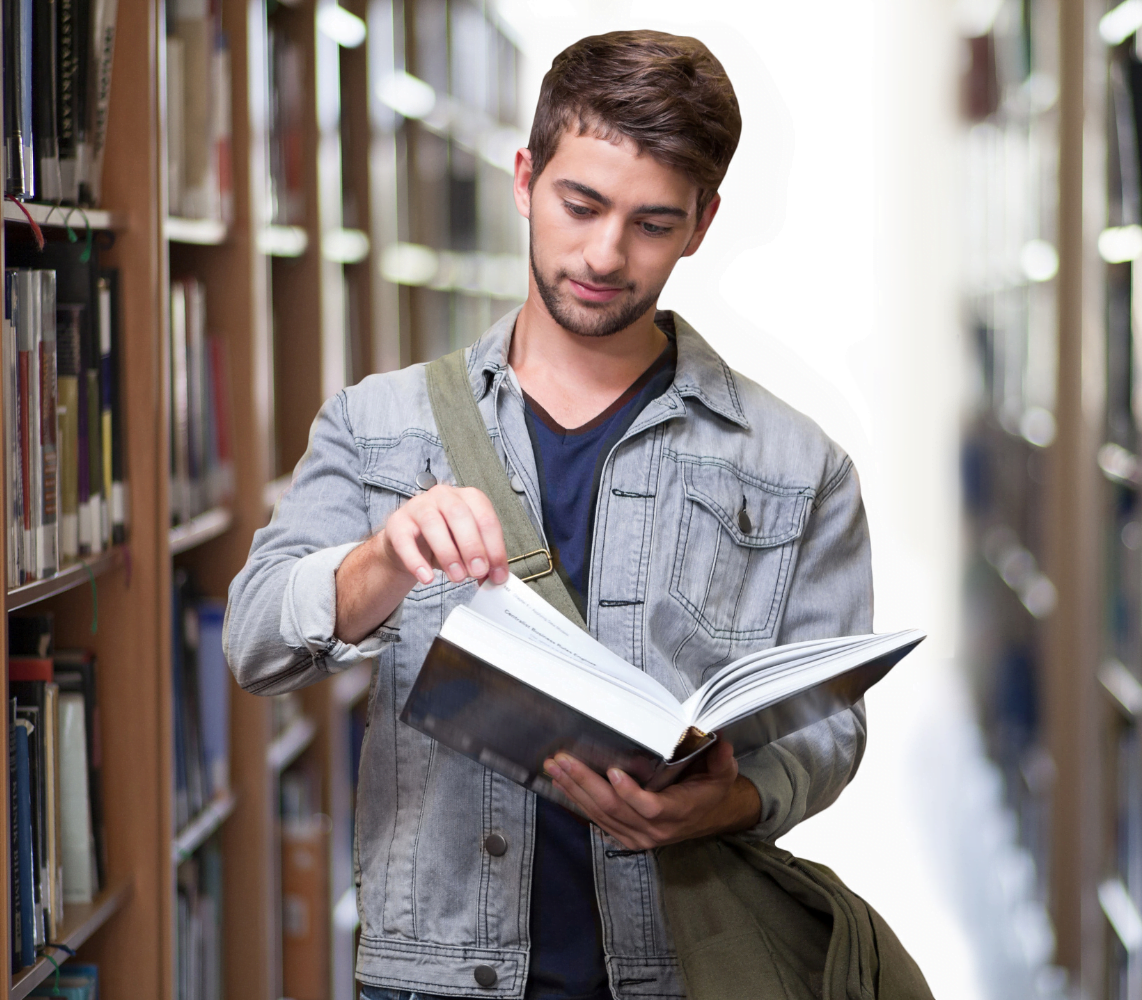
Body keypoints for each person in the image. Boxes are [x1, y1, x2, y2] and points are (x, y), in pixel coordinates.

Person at [225, 29, 872, 1000]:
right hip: (436, 978)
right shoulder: (378, 425)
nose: (605, 254)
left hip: (680, 973)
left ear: (702, 223)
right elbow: (254, 640)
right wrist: (381, 560)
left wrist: (730, 801)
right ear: (525, 178)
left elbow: (830, 729)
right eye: (582, 205)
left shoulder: (798, 465)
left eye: (652, 223)